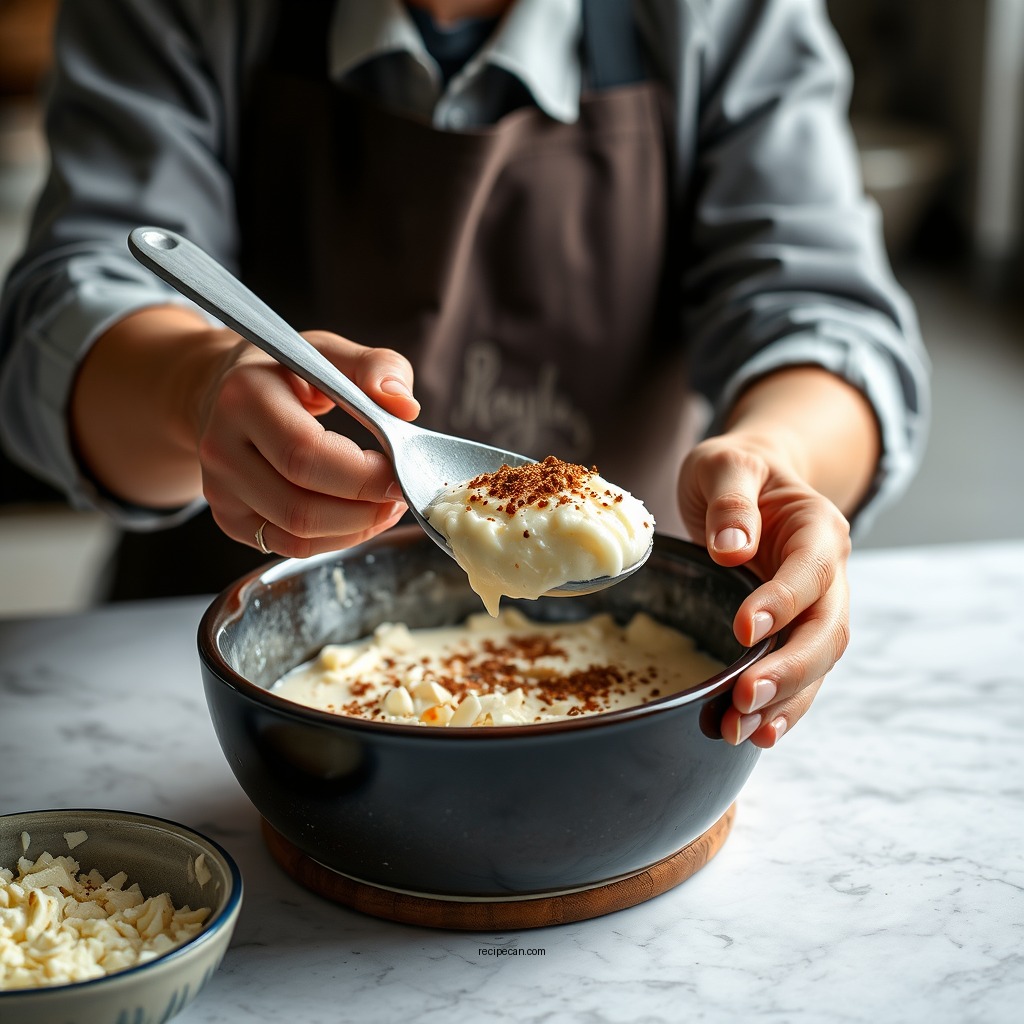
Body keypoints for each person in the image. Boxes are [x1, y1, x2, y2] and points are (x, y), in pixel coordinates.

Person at [0, 0, 930, 749]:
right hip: (185, 695)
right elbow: (60, 318)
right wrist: (195, 390)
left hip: (639, 683)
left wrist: (778, 454)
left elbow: (825, 315)